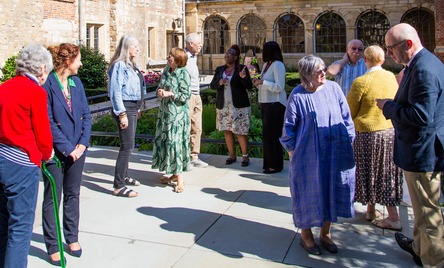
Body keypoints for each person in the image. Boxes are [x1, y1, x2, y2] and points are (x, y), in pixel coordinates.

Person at [376, 23, 444, 268]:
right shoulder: (424, 63)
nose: (389, 53)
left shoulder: (424, 69)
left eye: (391, 48)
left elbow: (421, 116)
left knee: (428, 214)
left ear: (407, 44)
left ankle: (433, 261)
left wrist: (388, 107)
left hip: (422, 152)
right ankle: (419, 248)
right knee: (421, 209)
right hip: (422, 149)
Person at [280, 55, 356, 255]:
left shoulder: (334, 89)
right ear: (306, 75)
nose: (324, 73)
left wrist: (348, 141)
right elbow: (289, 128)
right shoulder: (298, 95)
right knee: (306, 193)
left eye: (324, 69)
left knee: (331, 189)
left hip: (334, 152)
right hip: (308, 155)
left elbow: (347, 118)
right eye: (318, 71)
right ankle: (306, 235)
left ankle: (326, 233)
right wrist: (292, 151)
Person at [0, 44, 54, 268]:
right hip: (21, 164)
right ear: (41, 69)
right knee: (20, 228)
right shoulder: (35, 92)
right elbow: (43, 134)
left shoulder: (3, 87)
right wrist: (47, 153)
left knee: (3, 223)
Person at [42, 43, 92, 265]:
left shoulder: (76, 83)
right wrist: (67, 148)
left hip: (77, 150)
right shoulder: (48, 85)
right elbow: (48, 122)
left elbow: (86, 116)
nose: (81, 63)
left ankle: (72, 236)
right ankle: (53, 244)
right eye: (78, 59)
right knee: (53, 197)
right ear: (68, 61)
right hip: (56, 152)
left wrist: (82, 144)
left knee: (73, 195)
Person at [347, 45, 403, 231]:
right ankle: (372, 210)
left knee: (370, 171)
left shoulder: (361, 82)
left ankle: (392, 217)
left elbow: (350, 110)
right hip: (389, 131)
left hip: (366, 133)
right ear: (383, 59)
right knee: (385, 171)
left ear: (365, 60)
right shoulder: (389, 77)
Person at [108, 35, 146, 198]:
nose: (137, 48)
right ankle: (119, 185)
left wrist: (138, 107)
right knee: (127, 146)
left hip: (133, 107)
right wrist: (121, 113)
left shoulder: (133, 65)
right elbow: (116, 90)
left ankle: (124, 175)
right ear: (126, 48)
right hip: (125, 107)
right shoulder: (119, 66)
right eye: (135, 46)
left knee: (129, 146)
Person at [152, 48, 191, 193]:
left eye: (171, 56)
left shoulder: (183, 74)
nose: (168, 58)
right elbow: (159, 87)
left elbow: (185, 96)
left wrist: (170, 94)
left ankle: (180, 179)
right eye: (168, 55)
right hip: (165, 113)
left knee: (176, 143)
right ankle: (174, 173)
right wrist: (160, 92)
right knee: (167, 142)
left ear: (178, 59)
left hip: (177, 115)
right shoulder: (166, 71)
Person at [210, 44, 253, 167]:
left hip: (239, 106)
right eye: (226, 53)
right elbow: (212, 85)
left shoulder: (242, 68)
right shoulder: (220, 69)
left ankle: (245, 157)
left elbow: (249, 86)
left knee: (240, 132)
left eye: (230, 54)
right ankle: (231, 155)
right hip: (224, 105)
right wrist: (219, 82)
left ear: (235, 57)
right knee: (227, 131)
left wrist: (243, 78)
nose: (227, 56)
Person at [253, 41, 287, 174]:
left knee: (273, 136)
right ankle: (268, 163)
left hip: (276, 104)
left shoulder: (278, 65)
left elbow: (279, 87)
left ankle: (276, 164)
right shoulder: (267, 65)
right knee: (267, 136)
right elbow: (265, 83)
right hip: (266, 103)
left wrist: (263, 82)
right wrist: (258, 83)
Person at [184, 33, 208, 168]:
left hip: (196, 94)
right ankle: (184, 155)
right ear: (191, 44)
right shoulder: (183, 57)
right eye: (199, 43)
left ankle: (194, 156)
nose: (201, 45)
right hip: (188, 96)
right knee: (186, 126)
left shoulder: (193, 57)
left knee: (197, 127)